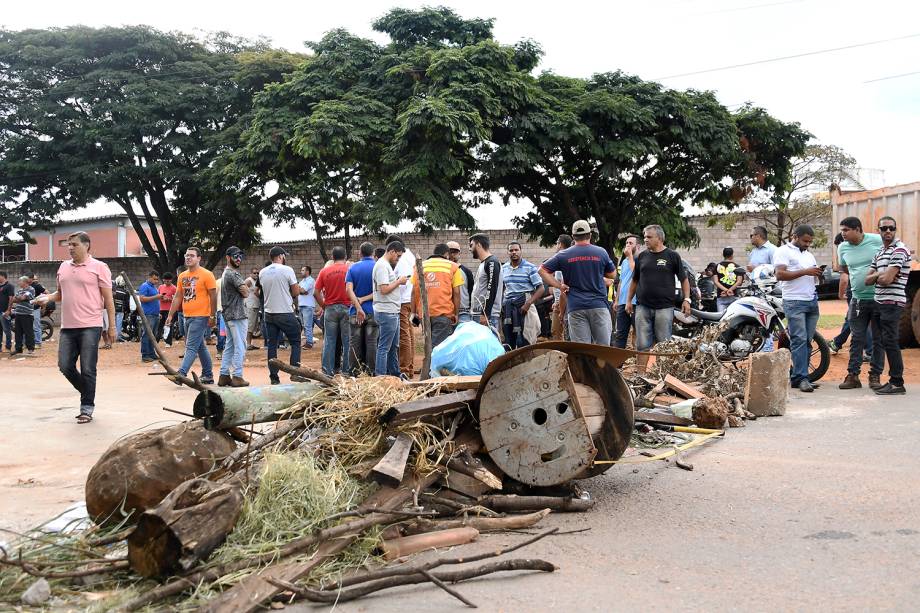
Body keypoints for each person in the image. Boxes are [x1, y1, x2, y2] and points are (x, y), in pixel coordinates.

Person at [33, 232, 115, 423]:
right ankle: (87, 392)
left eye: (74, 244)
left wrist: (112, 326)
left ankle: (86, 407)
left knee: (88, 369)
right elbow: (60, 294)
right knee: (65, 365)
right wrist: (47, 297)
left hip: (91, 325)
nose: (70, 248)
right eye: (68, 245)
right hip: (68, 326)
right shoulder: (63, 267)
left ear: (87, 245)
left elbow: (108, 299)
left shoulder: (100, 267)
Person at [626, 224, 691, 374]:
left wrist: (687, 299)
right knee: (642, 344)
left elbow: (684, 279)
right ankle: (640, 375)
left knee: (663, 344)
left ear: (660, 238)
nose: (645, 240)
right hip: (643, 307)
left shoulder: (672, 256)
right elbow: (635, 280)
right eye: (645, 237)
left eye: (649, 237)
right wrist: (629, 301)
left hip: (665, 308)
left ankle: (663, 376)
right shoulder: (642, 256)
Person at [540, 220, 616, 346]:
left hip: (576, 307)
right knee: (603, 348)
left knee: (581, 349)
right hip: (599, 306)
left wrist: (559, 286)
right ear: (590, 235)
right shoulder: (601, 252)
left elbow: (542, 270)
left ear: (573, 236)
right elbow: (612, 275)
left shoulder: (563, 255)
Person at [774, 225, 823, 392]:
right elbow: (780, 274)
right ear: (795, 236)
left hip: (811, 300)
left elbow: (810, 275)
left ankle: (801, 377)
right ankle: (801, 378)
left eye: (810, 242)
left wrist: (818, 274)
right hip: (794, 301)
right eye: (805, 241)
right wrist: (805, 272)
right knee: (799, 340)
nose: (807, 244)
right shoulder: (783, 251)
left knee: (807, 341)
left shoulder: (809, 255)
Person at [835, 217, 883, 390]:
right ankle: (853, 376)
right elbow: (844, 268)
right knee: (857, 338)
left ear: (857, 229)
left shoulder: (877, 240)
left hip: (879, 298)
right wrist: (859, 276)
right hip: (857, 299)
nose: (843, 233)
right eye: (842, 230)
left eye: (846, 230)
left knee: (878, 339)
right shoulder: (842, 247)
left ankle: (875, 376)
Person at [865, 216, 911, 395]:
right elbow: (867, 280)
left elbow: (887, 280)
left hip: (892, 303)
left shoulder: (900, 250)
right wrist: (881, 274)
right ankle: (890, 380)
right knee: (881, 341)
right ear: (879, 230)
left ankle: (897, 382)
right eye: (884, 228)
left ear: (895, 229)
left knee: (890, 341)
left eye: (891, 228)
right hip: (878, 302)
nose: (888, 231)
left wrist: (879, 275)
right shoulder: (879, 252)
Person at [164, 246, 218, 385]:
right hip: (187, 315)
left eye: (192, 255)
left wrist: (213, 316)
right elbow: (178, 297)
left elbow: (213, 296)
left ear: (199, 258)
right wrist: (170, 315)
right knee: (200, 347)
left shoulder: (207, 274)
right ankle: (208, 375)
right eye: (187, 255)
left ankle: (181, 374)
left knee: (191, 346)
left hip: (201, 316)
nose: (188, 258)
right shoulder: (182, 276)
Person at [259, 247, 302, 385]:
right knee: (295, 342)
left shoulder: (262, 272)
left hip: (269, 313)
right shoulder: (287, 270)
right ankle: (295, 373)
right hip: (285, 312)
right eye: (284, 256)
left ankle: (274, 377)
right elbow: (295, 292)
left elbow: (262, 291)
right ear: (281, 256)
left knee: (272, 345)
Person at [413, 243, 464, 347]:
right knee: (439, 347)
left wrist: (413, 313)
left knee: (429, 344)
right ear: (446, 254)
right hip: (443, 313)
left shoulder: (419, 266)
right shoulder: (453, 267)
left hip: (424, 314)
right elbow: (457, 293)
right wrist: (456, 314)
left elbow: (414, 292)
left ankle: (430, 357)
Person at [499, 242, 545, 349]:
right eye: (511, 250)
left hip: (525, 306)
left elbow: (541, 288)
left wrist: (528, 303)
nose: (514, 252)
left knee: (526, 340)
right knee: (509, 340)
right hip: (508, 308)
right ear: (508, 252)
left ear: (521, 251)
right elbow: (502, 288)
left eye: (516, 250)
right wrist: (501, 304)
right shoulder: (504, 268)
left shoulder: (530, 267)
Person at [373, 241, 408, 377]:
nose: (398, 259)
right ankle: (381, 376)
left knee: (393, 347)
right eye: (398, 256)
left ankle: (395, 374)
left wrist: (397, 281)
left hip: (391, 311)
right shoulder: (382, 266)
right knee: (384, 347)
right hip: (387, 311)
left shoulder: (385, 265)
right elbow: (384, 289)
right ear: (392, 251)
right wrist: (399, 281)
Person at [315, 246, 351, 377]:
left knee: (329, 341)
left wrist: (323, 306)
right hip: (347, 307)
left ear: (332, 257)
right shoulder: (349, 270)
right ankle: (346, 371)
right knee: (347, 341)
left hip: (330, 308)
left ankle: (327, 372)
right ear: (345, 256)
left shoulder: (324, 271)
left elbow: (316, 292)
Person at [218, 246, 250, 387]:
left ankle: (224, 375)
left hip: (229, 315)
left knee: (230, 346)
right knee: (240, 345)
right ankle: (237, 376)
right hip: (237, 315)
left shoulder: (226, 273)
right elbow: (246, 292)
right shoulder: (233, 274)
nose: (238, 259)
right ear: (228, 257)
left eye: (240, 256)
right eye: (235, 256)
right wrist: (245, 286)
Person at [387, 234, 417, 378]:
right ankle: (409, 368)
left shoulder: (403, 260)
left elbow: (404, 281)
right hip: (408, 300)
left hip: (403, 300)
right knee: (408, 334)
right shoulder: (409, 257)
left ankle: (404, 369)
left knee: (404, 336)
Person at [346, 243, 378, 374]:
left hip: (355, 312)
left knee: (354, 343)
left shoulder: (353, 268)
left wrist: (358, 307)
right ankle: (371, 372)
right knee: (372, 343)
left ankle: (354, 372)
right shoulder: (378, 267)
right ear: (373, 253)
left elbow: (348, 289)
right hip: (373, 311)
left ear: (360, 253)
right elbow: (380, 291)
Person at [468, 233, 503, 333]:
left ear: (479, 244)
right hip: (478, 314)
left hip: (487, 316)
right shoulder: (484, 263)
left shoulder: (492, 262)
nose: (470, 249)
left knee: (489, 343)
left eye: (471, 245)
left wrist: (485, 314)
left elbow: (492, 288)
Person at [612, 234, 639, 348]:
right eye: (626, 243)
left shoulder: (640, 259)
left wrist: (630, 256)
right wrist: (617, 300)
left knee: (638, 333)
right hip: (622, 302)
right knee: (620, 334)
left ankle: (638, 357)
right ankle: (619, 358)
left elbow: (636, 273)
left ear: (637, 246)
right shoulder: (624, 262)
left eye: (631, 243)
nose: (627, 245)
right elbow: (621, 282)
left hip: (635, 302)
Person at [446, 241, 475, 324]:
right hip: (447, 313)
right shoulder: (442, 271)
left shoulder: (466, 271)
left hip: (463, 312)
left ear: (459, 253)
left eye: (455, 251)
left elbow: (471, 292)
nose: (452, 254)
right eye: (450, 251)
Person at [137, 271, 162, 363]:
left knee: (153, 336)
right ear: (150, 277)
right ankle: (145, 355)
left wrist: (158, 312)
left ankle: (151, 354)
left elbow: (155, 300)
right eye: (154, 279)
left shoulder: (154, 287)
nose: (156, 281)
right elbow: (142, 299)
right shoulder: (144, 286)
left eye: (157, 279)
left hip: (155, 314)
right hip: (148, 315)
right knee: (147, 335)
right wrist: (156, 297)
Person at [8, 276, 36, 355]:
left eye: (20, 281)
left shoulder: (31, 289)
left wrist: (19, 298)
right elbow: (14, 299)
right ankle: (18, 349)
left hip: (27, 314)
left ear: (25, 282)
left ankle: (30, 348)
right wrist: (19, 298)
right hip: (18, 313)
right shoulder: (20, 290)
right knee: (18, 332)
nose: (18, 283)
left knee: (28, 332)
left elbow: (23, 298)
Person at [715, 247, 745, 311]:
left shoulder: (717, 266)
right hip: (734, 296)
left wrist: (726, 290)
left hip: (721, 296)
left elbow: (716, 282)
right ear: (732, 255)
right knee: (734, 316)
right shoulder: (737, 267)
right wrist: (730, 290)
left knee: (722, 316)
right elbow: (739, 282)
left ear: (723, 255)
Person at [298, 265, 316, 349]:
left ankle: (309, 342)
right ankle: (308, 341)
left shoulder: (311, 280)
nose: (301, 272)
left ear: (307, 271)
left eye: (303, 270)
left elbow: (302, 290)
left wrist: (301, 290)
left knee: (307, 325)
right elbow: (297, 291)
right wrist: (301, 291)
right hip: (301, 305)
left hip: (308, 305)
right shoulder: (302, 281)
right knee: (304, 325)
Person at [244, 267, 261, 350]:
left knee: (253, 326)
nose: (256, 274)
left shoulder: (256, 281)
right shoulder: (249, 280)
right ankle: (247, 344)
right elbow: (241, 290)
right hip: (250, 306)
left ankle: (249, 343)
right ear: (250, 273)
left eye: (258, 273)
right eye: (254, 273)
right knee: (250, 326)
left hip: (255, 306)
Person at [28, 273, 46, 349]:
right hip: (27, 309)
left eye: (36, 279)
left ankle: (38, 343)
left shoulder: (37, 286)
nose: (36, 280)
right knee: (27, 326)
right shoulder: (26, 286)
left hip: (35, 308)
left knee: (36, 326)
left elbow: (47, 293)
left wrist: (40, 302)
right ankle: (28, 343)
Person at [158, 273, 177, 345]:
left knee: (168, 325)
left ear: (171, 280)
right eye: (165, 281)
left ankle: (168, 342)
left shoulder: (174, 288)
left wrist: (169, 299)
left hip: (170, 310)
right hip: (161, 309)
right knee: (159, 325)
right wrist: (161, 298)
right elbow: (157, 296)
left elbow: (176, 299)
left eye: (168, 281)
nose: (166, 282)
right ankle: (156, 340)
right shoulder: (160, 287)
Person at [0, 271, 14, 352]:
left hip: (4, 312)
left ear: (2, 276)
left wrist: (8, 310)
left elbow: (11, 298)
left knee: (7, 330)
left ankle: (8, 347)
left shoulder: (9, 286)